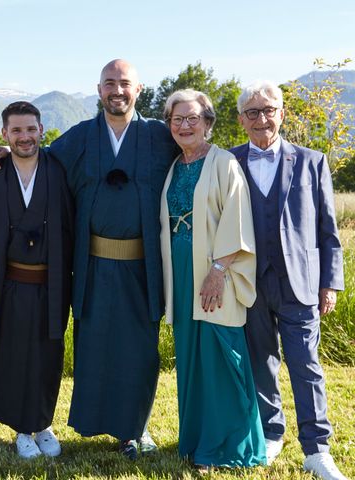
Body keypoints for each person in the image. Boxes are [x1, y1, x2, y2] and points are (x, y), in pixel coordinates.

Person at [0, 60, 179, 459]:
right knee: (93, 346)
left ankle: (135, 429)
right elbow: (38, 158)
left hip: (142, 267)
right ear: (98, 89)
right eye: (109, 83)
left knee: (140, 349)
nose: (117, 90)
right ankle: (95, 422)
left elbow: (195, 150)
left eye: (124, 83)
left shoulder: (160, 137)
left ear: (138, 89)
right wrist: (5, 152)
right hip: (92, 264)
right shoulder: (79, 138)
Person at [231, 81, 346, 480]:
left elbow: (328, 230)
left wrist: (330, 281)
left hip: (301, 281)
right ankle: (270, 432)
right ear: (242, 119)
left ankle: (316, 449)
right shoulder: (229, 162)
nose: (262, 119)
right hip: (249, 281)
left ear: (281, 113)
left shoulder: (313, 161)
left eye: (268, 110)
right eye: (253, 112)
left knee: (306, 364)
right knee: (261, 361)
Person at [159, 89, 266, 468]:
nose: (185, 126)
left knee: (223, 354)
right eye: (177, 119)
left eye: (193, 119)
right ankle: (195, 440)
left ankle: (229, 448)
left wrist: (218, 272)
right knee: (192, 358)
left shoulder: (224, 163)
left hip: (215, 272)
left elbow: (237, 220)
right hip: (181, 272)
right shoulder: (174, 166)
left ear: (208, 123)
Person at [0, 101, 74, 458]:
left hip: (52, 282)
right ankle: (20, 428)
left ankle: (43, 423)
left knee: (48, 352)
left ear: (42, 130)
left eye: (31, 129)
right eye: (16, 130)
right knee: (15, 354)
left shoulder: (60, 170)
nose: (24, 137)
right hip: (12, 283)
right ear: (4, 134)